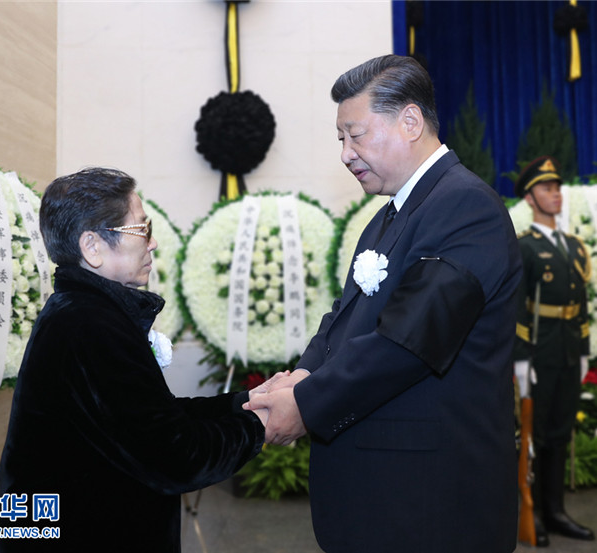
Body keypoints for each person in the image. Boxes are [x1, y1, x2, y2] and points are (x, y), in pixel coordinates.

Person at [245, 54, 522, 553]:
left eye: (356, 135)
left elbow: (408, 340)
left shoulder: (465, 205)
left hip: (429, 504)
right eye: (340, 139)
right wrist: (302, 375)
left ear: (410, 121)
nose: (345, 154)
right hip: (387, 498)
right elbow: (345, 316)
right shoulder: (391, 214)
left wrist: (305, 406)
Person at [0, 167, 266, 552]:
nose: (152, 243)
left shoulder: (84, 311)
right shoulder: (90, 325)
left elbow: (153, 416)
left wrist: (244, 402)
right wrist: (263, 424)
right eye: (142, 229)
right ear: (92, 247)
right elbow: (176, 457)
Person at [513, 156, 594, 546]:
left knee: (560, 430)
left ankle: (556, 511)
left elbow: (581, 303)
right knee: (536, 432)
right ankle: (532, 512)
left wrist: (584, 349)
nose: (556, 194)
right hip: (539, 352)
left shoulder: (574, 248)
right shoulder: (524, 248)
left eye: (558, 187)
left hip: (567, 351)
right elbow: (516, 307)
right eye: (546, 188)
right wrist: (521, 359)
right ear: (530, 198)